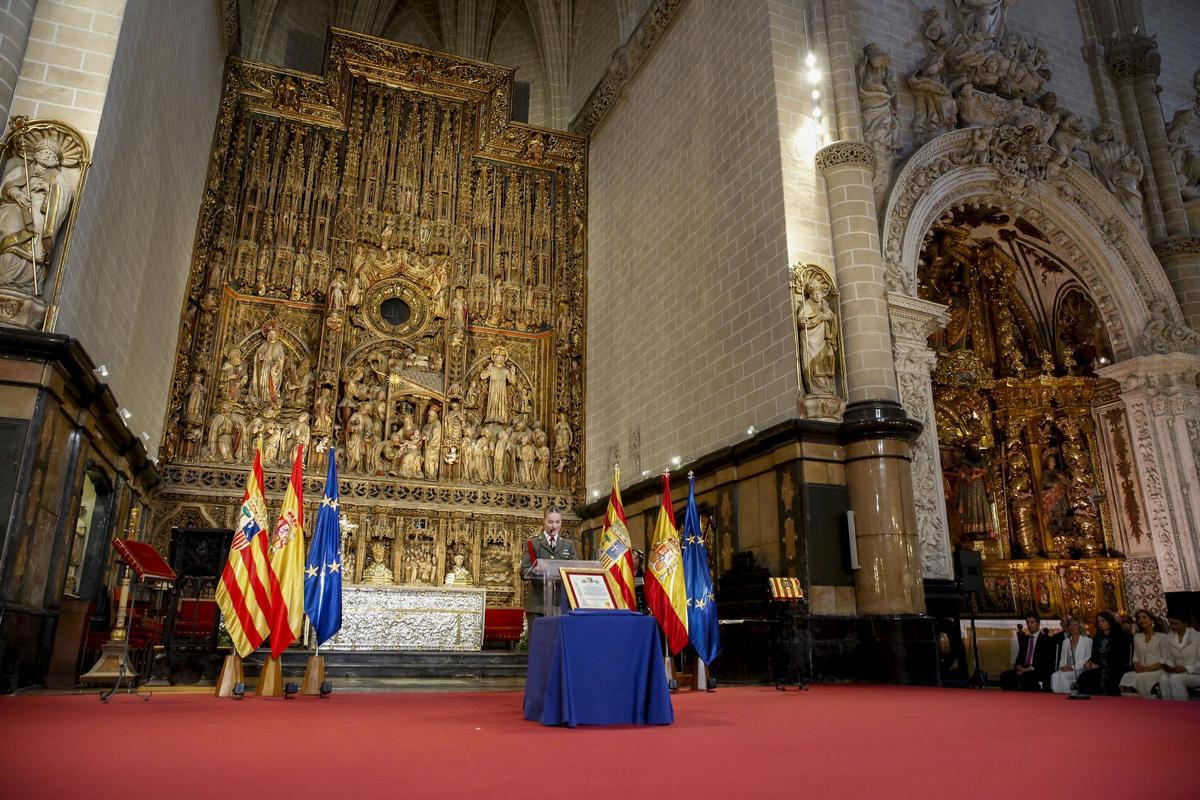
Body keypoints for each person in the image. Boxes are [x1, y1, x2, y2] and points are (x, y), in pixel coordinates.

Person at [520, 507, 577, 622]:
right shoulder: (533, 543)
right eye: (550, 522)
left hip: (561, 605)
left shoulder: (568, 544)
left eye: (558, 522)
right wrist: (536, 569)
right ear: (544, 521)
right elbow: (523, 571)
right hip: (538, 605)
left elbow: (574, 571)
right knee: (537, 640)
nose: (554, 526)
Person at [1077, 610, 1131, 696]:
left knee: (1097, 676)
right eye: (1098, 621)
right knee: (1084, 676)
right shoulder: (1097, 637)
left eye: (1103, 621)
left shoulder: (1120, 636)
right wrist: (1089, 663)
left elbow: (1119, 656)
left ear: (1110, 621)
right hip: (1100, 666)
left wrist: (1100, 665)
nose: (1100, 623)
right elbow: (1094, 655)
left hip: (1115, 666)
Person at [1119, 609, 1169, 698]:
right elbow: (1136, 657)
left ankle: (1148, 701)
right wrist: (1137, 666)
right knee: (1127, 676)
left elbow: (1164, 660)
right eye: (1139, 618)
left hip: (1158, 670)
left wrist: (1149, 668)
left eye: (1144, 617)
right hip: (1141, 670)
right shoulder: (1137, 637)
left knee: (1139, 678)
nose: (1141, 620)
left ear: (1152, 620)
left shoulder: (1162, 637)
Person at [999, 613, 1054, 691]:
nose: (1029, 625)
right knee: (1004, 675)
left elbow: (1045, 661)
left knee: (1025, 676)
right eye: (1027, 622)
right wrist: (1018, 666)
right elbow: (1019, 657)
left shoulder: (1047, 640)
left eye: (1032, 622)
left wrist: (1027, 669)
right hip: (1023, 668)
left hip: (1037, 670)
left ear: (1038, 624)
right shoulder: (1024, 639)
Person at [1157, 614, 1200, 701]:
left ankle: (1183, 709)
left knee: (1176, 679)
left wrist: (1186, 668)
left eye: (1176, 624)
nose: (1173, 627)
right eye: (1171, 624)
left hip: (1197, 674)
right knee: (1163, 679)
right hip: (1181, 674)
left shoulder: (1197, 636)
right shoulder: (1169, 638)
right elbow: (1170, 659)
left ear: (1185, 623)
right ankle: (1168, 708)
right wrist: (1169, 667)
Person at [1049, 617, 1092, 694]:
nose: (1072, 627)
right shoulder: (1066, 641)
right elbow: (1062, 658)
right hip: (1066, 668)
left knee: (1063, 676)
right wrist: (1062, 667)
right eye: (1070, 625)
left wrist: (1071, 668)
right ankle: (1057, 698)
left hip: (1080, 670)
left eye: (1075, 625)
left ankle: (1068, 696)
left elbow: (1087, 659)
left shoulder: (1087, 641)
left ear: (1080, 627)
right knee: (1054, 676)